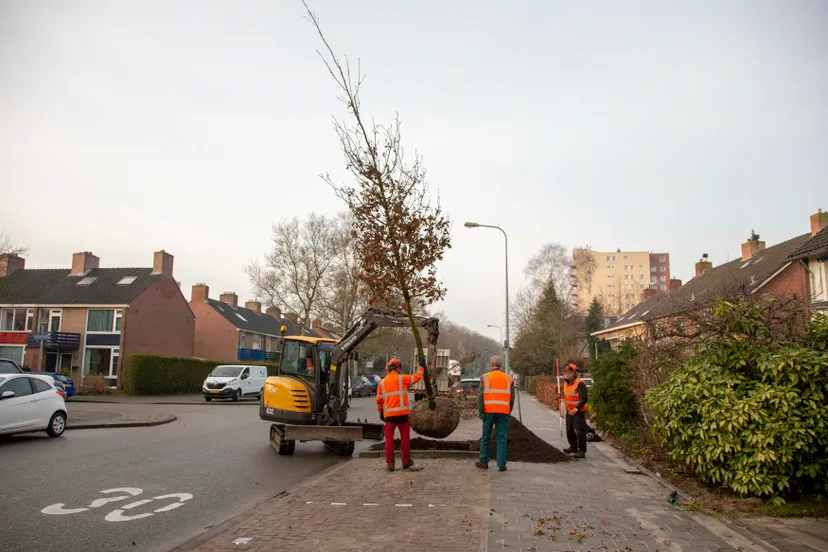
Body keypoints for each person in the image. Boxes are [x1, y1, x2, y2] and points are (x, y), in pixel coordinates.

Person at [376, 357, 424, 472]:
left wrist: (381, 412)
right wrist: (422, 367)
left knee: (389, 440)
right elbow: (417, 377)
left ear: (388, 368)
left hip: (389, 417)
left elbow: (379, 400)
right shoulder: (403, 379)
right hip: (402, 415)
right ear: (398, 368)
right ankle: (406, 462)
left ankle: (390, 464)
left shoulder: (382, 383)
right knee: (405, 439)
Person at [476, 355, 514, 472]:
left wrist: (481, 411)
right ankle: (501, 465)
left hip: (488, 412)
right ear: (500, 365)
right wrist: (508, 411)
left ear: (491, 365)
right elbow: (512, 398)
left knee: (486, 437)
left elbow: (480, 396)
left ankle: (483, 461)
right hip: (503, 412)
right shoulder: (509, 379)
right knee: (502, 438)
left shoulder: (484, 377)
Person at [562, 362, 589, 458]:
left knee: (580, 431)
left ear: (573, 374)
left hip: (578, 412)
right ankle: (573, 446)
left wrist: (576, 408)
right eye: (565, 373)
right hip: (569, 410)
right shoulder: (566, 383)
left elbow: (584, 398)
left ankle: (582, 451)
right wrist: (561, 395)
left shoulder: (580, 384)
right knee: (569, 430)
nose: (566, 374)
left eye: (568, 373)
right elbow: (568, 395)